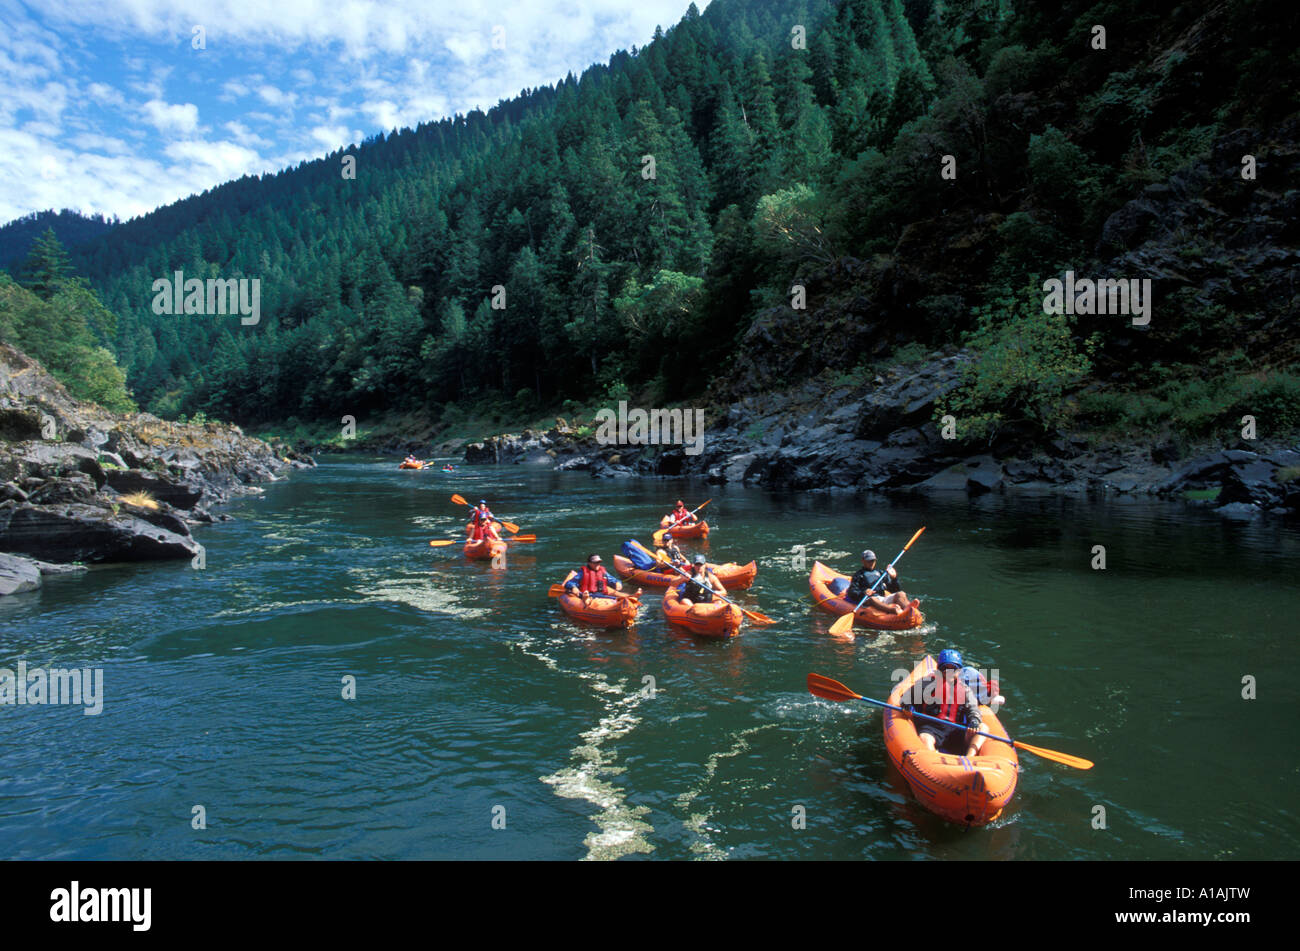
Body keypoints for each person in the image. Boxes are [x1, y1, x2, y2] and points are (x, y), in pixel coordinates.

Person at [903, 649, 985, 757]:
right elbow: (906, 697)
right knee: (924, 738)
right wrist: (906, 705)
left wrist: (974, 721)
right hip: (931, 727)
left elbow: (973, 708)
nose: (949, 673)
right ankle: (933, 759)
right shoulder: (926, 683)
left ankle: (970, 757)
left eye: (953, 669)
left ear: (959, 671)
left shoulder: (965, 690)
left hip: (955, 729)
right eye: (945, 669)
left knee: (983, 728)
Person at [844, 550, 911, 614]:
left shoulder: (881, 573)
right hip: (867, 601)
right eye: (869, 561)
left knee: (901, 594)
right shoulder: (858, 575)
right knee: (872, 599)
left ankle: (910, 609)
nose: (871, 563)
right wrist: (864, 592)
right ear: (863, 561)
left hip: (882, 599)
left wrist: (894, 578)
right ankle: (893, 610)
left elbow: (895, 590)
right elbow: (851, 592)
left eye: (873, 561)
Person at [563, 554, 635, 604]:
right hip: (588, 594)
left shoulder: (603, 571)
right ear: (589, 563)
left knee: (619, 596)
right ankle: (586, 601)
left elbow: (613, 579)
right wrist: (573, 587)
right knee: (587, 598)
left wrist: (617, 583)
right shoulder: (582, 573)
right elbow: (569, 583)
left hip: (601, 594)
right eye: (595, 562)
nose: (597, 564)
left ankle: (631, 597)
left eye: (599, 562)